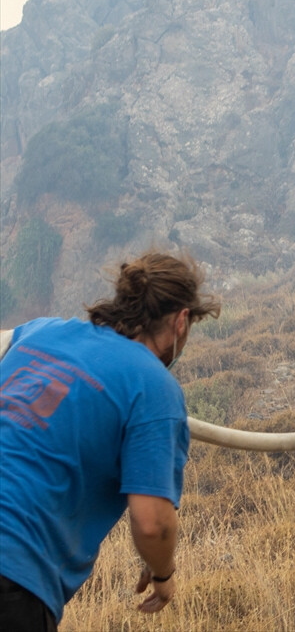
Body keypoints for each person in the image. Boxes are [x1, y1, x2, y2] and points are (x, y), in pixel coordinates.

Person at [0, 252, 220, 630]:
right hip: (14, 571)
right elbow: (152, 523)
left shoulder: (38, 331)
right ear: (181, 321)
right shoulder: (152, 386)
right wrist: (163, 574)